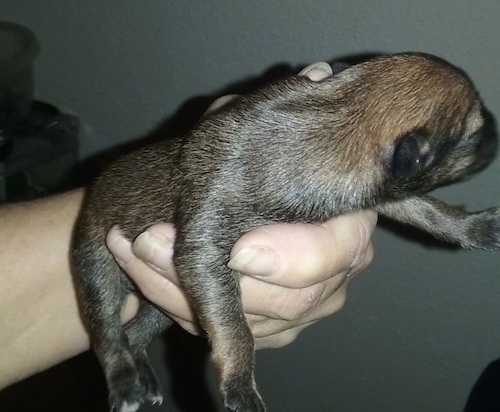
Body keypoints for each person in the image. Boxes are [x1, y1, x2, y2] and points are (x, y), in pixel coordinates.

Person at [0, 62, 377, 391]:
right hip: (123, 220)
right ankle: (120, 360)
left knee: (174, 297)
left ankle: (129, 352)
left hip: (134, 217)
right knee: (171, 292)